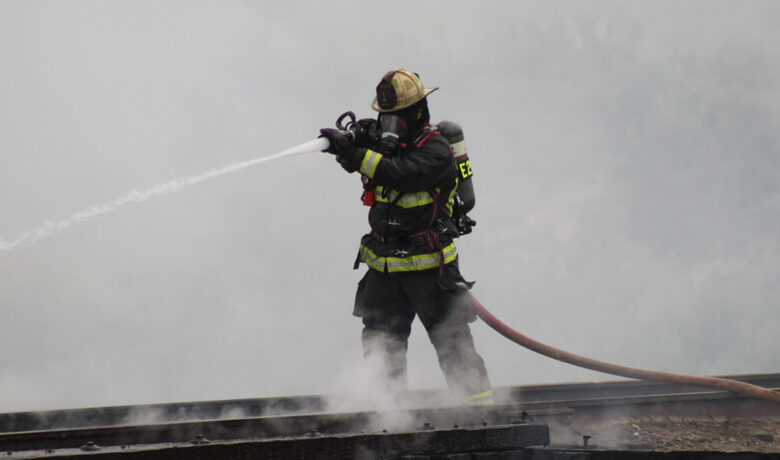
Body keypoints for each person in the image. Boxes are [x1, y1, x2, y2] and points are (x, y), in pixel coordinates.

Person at [319, 69, 492, 405]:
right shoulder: (385, 146)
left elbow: (399, 175)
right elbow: (373, 167)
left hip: (432, 272)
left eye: (395, 116)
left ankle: (482, 420)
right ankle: (387, 420)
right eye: (384, 116)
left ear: (416, 113)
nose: (388, 123)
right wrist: (346, 145)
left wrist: (356, 156)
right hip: (384, 272)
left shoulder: (437, 152)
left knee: (454, 347)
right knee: (382, 350)